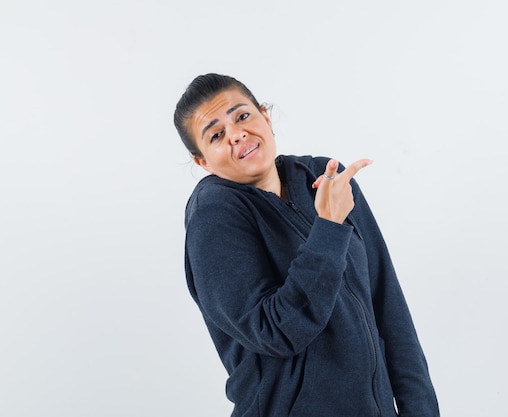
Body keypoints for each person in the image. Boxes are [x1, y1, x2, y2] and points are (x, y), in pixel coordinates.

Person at [174, 73, 439, 417]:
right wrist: (328, 228)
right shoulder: (213, 217)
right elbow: (276, 332)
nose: (237, 134)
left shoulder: (322, 178)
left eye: (242, 116)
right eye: (216, 134)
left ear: (265, 116)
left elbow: (387, 304)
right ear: (203, 162)